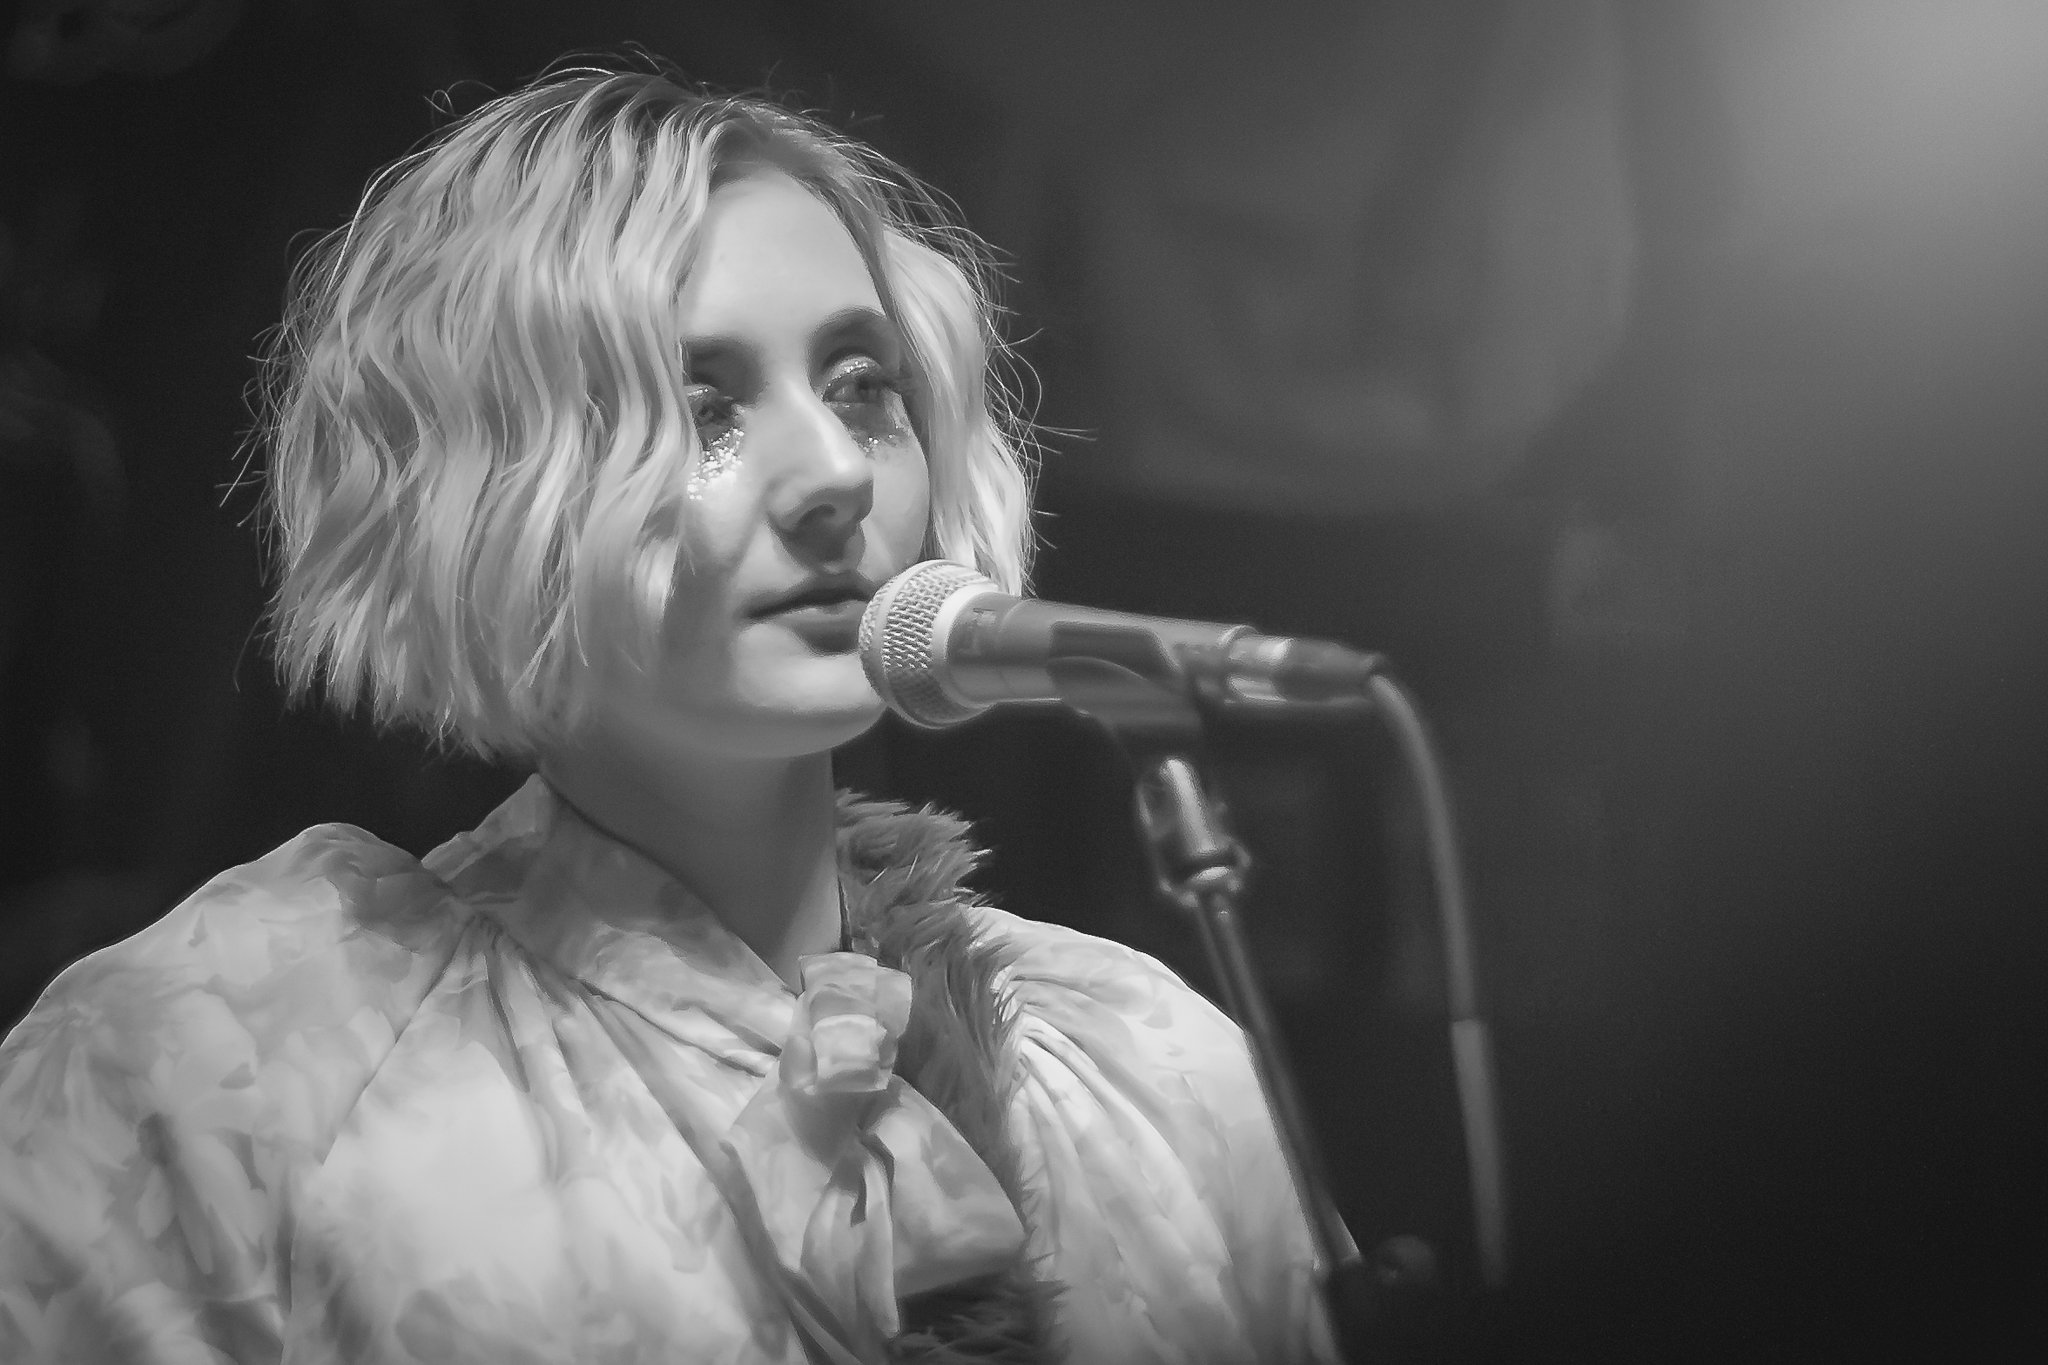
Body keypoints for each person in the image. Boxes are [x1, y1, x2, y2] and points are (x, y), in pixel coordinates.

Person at [0, 65, 1337, 1364]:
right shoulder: (220, 1073)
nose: (831, 476)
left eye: (865, 387)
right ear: (491, 489)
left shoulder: (1144, 1065)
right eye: (699, 408)